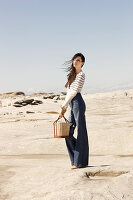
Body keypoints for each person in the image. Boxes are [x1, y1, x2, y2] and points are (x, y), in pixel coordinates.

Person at [59, 53, 89, 169]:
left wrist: (63, 106)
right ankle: (76, 158)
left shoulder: (81, 75)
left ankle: (79, 162)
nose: (75, 62)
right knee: (68, 132)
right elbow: (68, 92)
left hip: (78, 102)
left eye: (78, 60)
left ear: (82, 63)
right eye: (74, 60)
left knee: (81, 131)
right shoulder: (71, 75)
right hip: (72, 103)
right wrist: (65, 108)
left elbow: (73, 92)